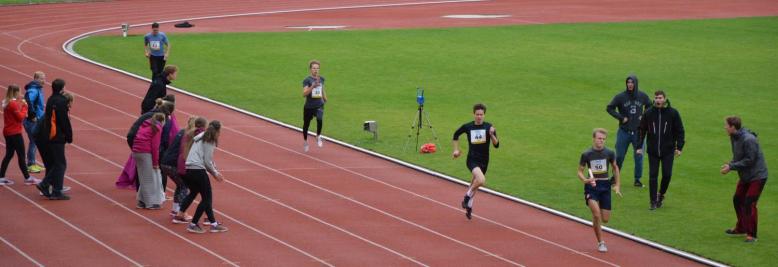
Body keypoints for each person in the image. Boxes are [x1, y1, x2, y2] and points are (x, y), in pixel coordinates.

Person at [721, 116, 768, 243]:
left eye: (726, 125)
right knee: (737, 199)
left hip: (757, 176)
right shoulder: (733, 137)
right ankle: (741, 227)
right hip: (746, 176)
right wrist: (730, 165)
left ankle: (752, 235)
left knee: (749, 203)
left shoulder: (749, 140)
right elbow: (738, 157)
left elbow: (750, 160)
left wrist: (731, 166)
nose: (724, 127)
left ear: (733, 127)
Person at [636, 90, 685, 210]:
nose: (658, 100)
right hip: (652, 151)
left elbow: (680, 130)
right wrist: (639, 146)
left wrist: (679, 147)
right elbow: (641, 130)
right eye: (656, 98)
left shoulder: (673, 113)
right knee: (653, 176)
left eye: (660, 98)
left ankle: (661, 195)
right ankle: (652, 201)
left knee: (667, 175)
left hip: (668, 150)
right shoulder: (648, 113)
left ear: (664, 99)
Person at [578, 128, 622, 252]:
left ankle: (596, 222)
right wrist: (585, 180)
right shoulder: (586, 154)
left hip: (605, 186)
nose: (601, 141)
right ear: (594, 139)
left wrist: (617, 185)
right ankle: (601, 242)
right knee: (596, 215)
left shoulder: (609, 153)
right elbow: (579, 171)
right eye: (599, 138)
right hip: (591, 186)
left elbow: (615, 168)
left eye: (603, 139)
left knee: (605, 219)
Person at [179, 120, 228, 233]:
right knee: (207, 198)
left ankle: (213, 224)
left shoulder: (201, 137)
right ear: (217, 131)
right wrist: (215, 174)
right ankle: (193, 224)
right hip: (197, 170)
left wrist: (214, 169)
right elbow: (207, 161)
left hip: (190, 169)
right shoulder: (209, 140)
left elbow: (207, 159)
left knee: (203, 196)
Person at [452, 103, 499, 220]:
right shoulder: (468, 127)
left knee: (475, 185)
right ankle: (467, 198)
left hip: (484, 161)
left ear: (484, 115)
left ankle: (469, 206)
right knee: (481, 180)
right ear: (474, 114)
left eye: (481, 114)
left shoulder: (489, 127)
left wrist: (492, 135)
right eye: (477, 114)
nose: (479, 116)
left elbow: (497, 145)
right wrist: (456, 150)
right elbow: (455, 135)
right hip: (472, 159)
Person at [117, 99, 175, 189]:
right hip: (141, 143)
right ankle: (157, 193)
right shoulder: (162, 119)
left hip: (134, 140)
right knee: (159, 168)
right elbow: (162, 139)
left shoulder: (150, 113)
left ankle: (140, 190)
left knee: (141, 166)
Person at [607, 75, 650, 187]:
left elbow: (650, 105)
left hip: (638, 133)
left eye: (632, 82)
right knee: (619, 156)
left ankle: (637, 180)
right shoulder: (621, 97)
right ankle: (614, 178)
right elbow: (609, 108)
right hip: (624, 132)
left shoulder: (642, 96)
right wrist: (621, 118)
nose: (630, 84)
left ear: (636, 83)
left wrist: (644, 116)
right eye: (628, 82)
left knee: (639, 157)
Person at [34, 79, 72, 200]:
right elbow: (63, 121)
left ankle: (53, 187)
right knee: (60, 164)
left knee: (57, 163)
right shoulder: (61, 101)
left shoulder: (51, 99)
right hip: (56, 136)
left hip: (48, 135)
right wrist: (69, 136)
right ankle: (50, 187)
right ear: (62, 88)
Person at [0, 85, 39, 186]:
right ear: (15, 92)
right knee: (21, 155)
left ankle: (1, 176)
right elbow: (20, 117)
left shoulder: (7, 102)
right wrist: (25, 107)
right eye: (19, 92)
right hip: (14, 133)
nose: (20, 94)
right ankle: (28, 178)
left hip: (8, 131)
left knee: (9, 154)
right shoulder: (12, 104)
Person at [132, 113, 166, 209]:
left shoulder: (145, 125)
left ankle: (142, 201)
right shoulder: (157, 128)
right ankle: (150, 203)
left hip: (136, 152)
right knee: (148, 179)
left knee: (143, 177)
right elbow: (155, 147)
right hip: (145, 153)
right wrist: (155, 163)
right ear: (162, 120)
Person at [23, 71, 46, 174]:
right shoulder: (33, 89)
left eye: (44, 78)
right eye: (42, 78)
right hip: (32, 120)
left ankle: (32, 163)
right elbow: (28, 100)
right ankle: (31, 164)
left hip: (36, 119)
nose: (44, 81)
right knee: (34, 141)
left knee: (35, 142)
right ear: (36, 78)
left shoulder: (37, 89)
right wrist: (32, 115)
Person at [301, 60, 327, 152]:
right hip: (309, 106)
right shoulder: (307, 80)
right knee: (306, 125)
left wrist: (325, 98)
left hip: (319, 104)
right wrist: (312, 86)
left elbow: (322, 88)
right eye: (314, 68)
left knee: (320, 119)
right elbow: (304, 94)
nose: (316, 70)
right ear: (310, 69)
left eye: (317, 68)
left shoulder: (322, 79)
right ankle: (305, 141)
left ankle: (318, 136)